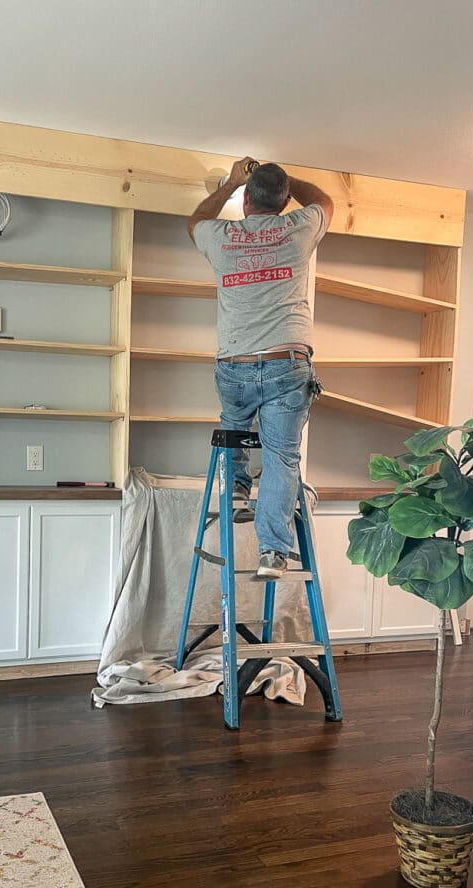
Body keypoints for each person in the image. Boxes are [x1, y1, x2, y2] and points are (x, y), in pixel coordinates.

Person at [188, 159, 333, 579]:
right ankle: (273, 553)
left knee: (233, 421)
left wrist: (234, 180)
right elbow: (324, 200)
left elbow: (195, 219)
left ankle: (234, 485)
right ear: (286, 200)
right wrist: (285, 182)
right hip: (285, 363)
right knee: (281, 456)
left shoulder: (222, 235)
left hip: (234, 362)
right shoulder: (299, 227)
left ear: (246, 200)